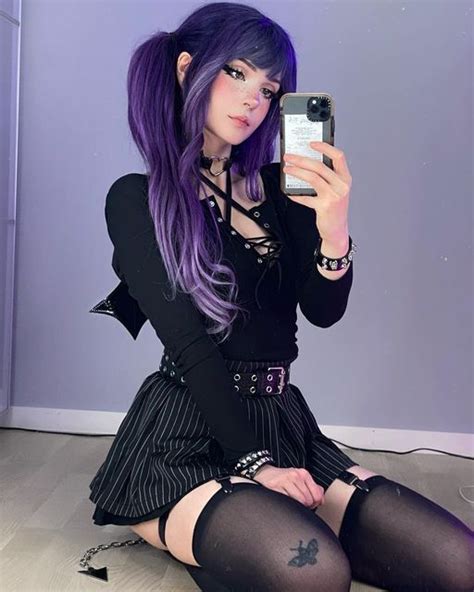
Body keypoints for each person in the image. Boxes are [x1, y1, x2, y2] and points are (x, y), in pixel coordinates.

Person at [82, 3, 474, 591]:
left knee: (458, 561)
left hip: (280, 418)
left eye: (268, 90)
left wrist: (334, 230)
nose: (253, 100)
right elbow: (189, 344)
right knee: (316, 574)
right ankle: (217, 525)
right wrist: (255, 465)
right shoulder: (139, 199)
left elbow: (322, 311)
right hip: (185, 431)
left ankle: (250, 529)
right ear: (187, 68)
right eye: (237, 73)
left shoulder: (276, 188)